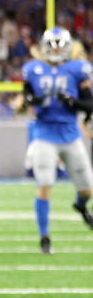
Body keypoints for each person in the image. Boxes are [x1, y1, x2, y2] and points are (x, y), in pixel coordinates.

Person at [20, 27, 93, 253]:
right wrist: (31, 100)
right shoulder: (33, 69)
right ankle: (45, 238)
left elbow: (90, 104)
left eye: (60, 45)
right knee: (45, 184)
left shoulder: (78, 69)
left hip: (70, 135)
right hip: (44, 134)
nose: (56, 50)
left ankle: (80, 206)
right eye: (52, 45)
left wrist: (73, 102)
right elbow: (24, 101)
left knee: (87, 190)